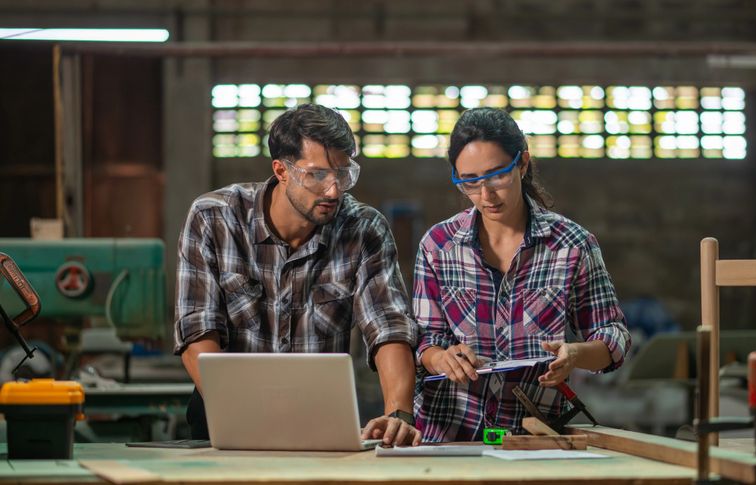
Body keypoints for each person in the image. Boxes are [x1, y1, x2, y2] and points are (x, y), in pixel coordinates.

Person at [174, 104, 421, 446]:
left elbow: (388, 326)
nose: (334, 191)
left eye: (343, 174)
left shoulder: (364, 229)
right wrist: (240, 414)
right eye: (317, 175)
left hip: (320, 420)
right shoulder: (213, 219)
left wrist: (398, 415)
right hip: (225, 418)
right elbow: (197, 330)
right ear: (281, 170)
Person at [413, 107, 631, 442]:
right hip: (450, 434)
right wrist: (442, 357)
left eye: (497, 176)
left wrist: (574, 354)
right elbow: (425, 341)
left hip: (533, 436)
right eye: (469, 182)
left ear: (523, 163)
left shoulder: (572, 245)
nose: (485, 195)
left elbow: (613, 337)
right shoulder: (438, 246)